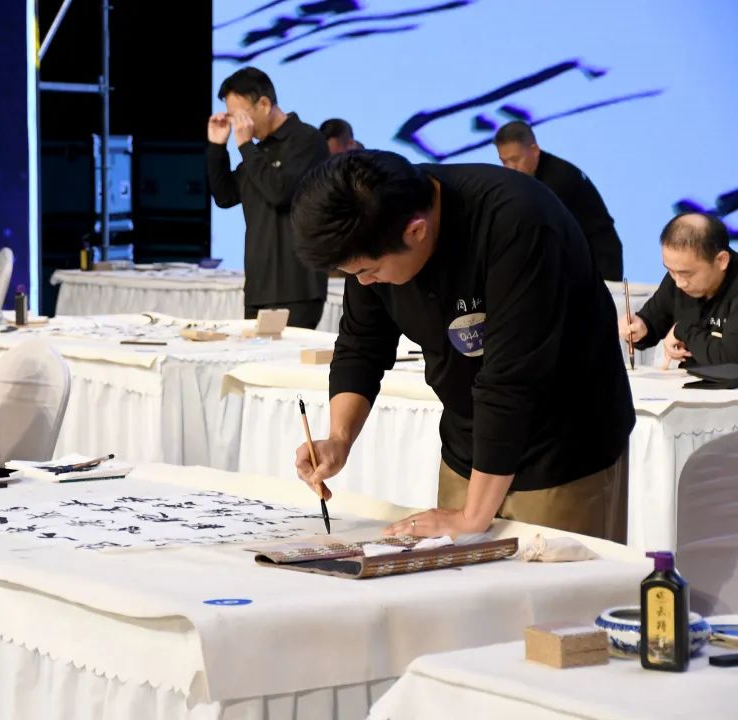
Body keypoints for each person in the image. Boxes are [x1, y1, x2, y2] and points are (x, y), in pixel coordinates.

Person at [289, 151, 634, 541]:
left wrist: (472, 517)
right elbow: (361, 344)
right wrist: (339, 438)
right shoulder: (373, 227)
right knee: (455, 572)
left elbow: (511, 381)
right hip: (469, 446)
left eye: (368, 271)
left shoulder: (517, 222)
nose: (364, 282)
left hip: (561, 449)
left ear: (416, 231)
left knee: (547, 573)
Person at [207, 67, 329, 329]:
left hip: (297, 288)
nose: (237, 124)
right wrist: (217, 147)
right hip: (258, 287)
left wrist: (245, 147)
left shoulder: (307, 140)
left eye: (239, 115)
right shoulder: (258, 151)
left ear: (263, 104)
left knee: (289, 355)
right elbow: (225, 196)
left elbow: (280, 192)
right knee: (251, 356)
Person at [494, 121, 624, 281]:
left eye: (515, 159)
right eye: (504, 161)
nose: (510, 168)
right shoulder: (525, 180)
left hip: (599, 261)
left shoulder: (559, 180)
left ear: (534, 150)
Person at [620, 212, 738, 367]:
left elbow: (731, 359)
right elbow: (653, 321)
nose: (679, 283)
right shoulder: (677, 276)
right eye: (670, 271)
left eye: (687, 274)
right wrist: (640, 328)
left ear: (721, 260)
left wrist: (682, 330)